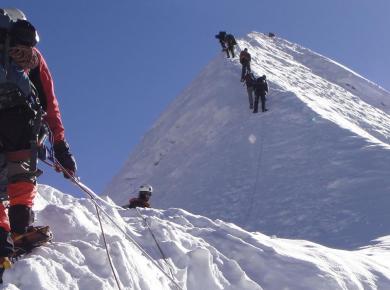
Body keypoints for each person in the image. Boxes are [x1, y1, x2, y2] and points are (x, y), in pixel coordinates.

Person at [0, 9, 76, 265]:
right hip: (20, 121)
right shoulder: (31, 57)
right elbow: (48, 99)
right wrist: (60, 145)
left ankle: (2, 239)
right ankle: (19, 230)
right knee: (21, 172)